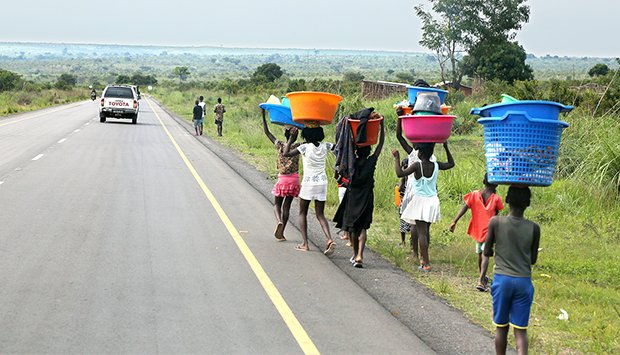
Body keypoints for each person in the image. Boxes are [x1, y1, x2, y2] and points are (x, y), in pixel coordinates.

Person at [479, 186, 540, 355]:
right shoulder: (534, 228)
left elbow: (486, 251)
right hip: (523, 281)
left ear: (506, 200)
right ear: (528, 203)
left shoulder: (496, 222)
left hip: (502, 280)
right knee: (520, 331)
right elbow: (533, 259)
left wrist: (494, 251)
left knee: (501, 328)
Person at [393, 142, 455, 271]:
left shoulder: (417, 165)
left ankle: (425, 263)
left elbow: (400, 173)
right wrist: (446, 147)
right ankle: (423, 258)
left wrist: (397, 158)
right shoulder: (436, 165)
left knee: (421, 233)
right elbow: (451, 163)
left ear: (420, 154)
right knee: (425, 232)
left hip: (420, 201)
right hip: (432, 202)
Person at [334, 119, 385, 268]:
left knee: (353, 228)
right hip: (367, 198)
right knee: (363, 227)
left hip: (353, 198)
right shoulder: (371, 161)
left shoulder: (351, 163)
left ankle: (355, 255)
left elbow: (344, 152)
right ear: (369, 151)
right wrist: (381, 127)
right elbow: (380, 145)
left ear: (356, 150)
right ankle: (360, 255)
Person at [282, 126, 335, 255]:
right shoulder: (326, 146)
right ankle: (329, 239)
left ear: (306, 136)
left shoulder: (304, 148)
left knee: (302, 213)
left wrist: (291, 139)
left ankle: (305, 244)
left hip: (309, 183)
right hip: (322, 182)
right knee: (320, 214)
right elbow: (339, 147)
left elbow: (286, 153)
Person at [450, 173, 504, 291]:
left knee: (480, 254)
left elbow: (464, 207)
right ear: (497, 184)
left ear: (483, 181)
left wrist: (455, 221)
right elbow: (498, 212)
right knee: (486, 255)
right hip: (490, 231)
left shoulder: (474, 194)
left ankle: (482, 277)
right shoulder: (496, 198)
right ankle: (481, 279)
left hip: (477, 230)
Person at [395, 112, 436, 261]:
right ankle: (424, 254)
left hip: (414, 192)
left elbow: (399, 136)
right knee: (425, 226)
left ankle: (415, 254)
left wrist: (400, 118)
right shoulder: (433, 158)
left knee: (414, 225)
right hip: (431, 193)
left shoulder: (413, 154)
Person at [261, 108, 301, 241]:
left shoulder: (279, 145)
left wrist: (263, 114)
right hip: (294, 180)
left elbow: (267, 132)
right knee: (287, 206)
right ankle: (282, 231)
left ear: (285, 134)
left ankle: (279, 221)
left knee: (277, 204)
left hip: (282, 179)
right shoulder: (299, 146)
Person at [397, 158, 412, 248]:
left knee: (403, 223)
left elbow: (399, 189)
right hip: (410, 203)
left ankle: (403, 242)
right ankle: (411, 242)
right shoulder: (413, 176)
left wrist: (401, 181)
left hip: (405, 203)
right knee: (411, 224)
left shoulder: (405, 178)